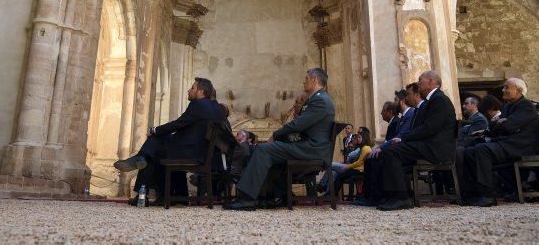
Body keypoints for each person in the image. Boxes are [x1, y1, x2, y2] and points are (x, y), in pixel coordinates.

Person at [224, 68, 335, 211]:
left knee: (264, 150)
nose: (304, 81)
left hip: (311, 149)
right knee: (272, 152)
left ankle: (247, 199)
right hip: (310, 147)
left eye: (306, 78)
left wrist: (276, 135)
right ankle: (273, 196)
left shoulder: (320, 100)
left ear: (314, 80)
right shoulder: (320, 99)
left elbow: (299, 124)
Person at [113, 77, 225, 206]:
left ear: (201, 92)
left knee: (154, 146)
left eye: (192, 88)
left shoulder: (198, 105)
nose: (189, 90)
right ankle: (175, 195)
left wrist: (155, 130)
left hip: (191, 153)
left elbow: (179, 123)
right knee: (157, 148)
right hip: (203, 152)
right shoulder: (217, 109)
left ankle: (142, 191)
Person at [356, 71, 456, 210]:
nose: (418, 83)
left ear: (432, 81)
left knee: (392, 152)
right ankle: (388, 195)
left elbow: (429, 128)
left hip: (436, 148)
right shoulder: (432, 100)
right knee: (391, 151)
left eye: (421, 80)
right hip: (429, 144)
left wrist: (404, 138)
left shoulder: (439, 99)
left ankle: (401, 197)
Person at [461, 78, 539, 207]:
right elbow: (495, 126)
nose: (503, 90)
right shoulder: (509, 106)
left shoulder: (525, 106)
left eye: (507, 87)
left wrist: (501, 123)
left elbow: (508, 126)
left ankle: (488, 195)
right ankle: (474, 194)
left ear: (519, 91)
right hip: (507, 143)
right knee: (469, 151)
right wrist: (498, 124)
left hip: (519, 146)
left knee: (482, 150)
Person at [331, 128, 373, 193]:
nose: (358, 139)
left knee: (338, 175)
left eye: (359, 137)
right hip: (357, 169)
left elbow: (359, 162)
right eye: (357, 137)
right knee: (335, 173)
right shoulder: (364, 147)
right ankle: (330, 194)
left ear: (364, 138)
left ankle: (332, 195)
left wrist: (348, 166)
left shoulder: (365, 148)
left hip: (359, 170)